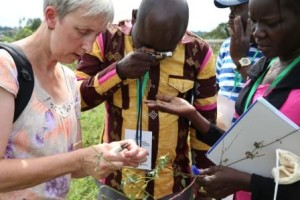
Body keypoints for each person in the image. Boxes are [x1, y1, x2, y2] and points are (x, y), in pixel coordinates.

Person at [146, 0, 300, 199]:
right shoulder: (264, 66)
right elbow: (247, 147)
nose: (257, 32)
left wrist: (245, 182)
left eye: (271, 23)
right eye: (255, 22)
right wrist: (193, 115)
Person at [0, 0, 148, 199]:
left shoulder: (69, 80)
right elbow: (74, 161)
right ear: (51, 17)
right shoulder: (6, 69)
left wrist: (110, 154)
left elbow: (75, 167)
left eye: (96, 35)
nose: (88, 46)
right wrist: (79, 160)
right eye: (82, 31)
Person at [75, 0, 217, 198]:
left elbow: (205, 123)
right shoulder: (106, 40)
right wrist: (118, 71)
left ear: (182, 33)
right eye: (144, 45)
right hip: (114, 180)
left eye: (165, 52)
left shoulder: (198, 52)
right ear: (134, 17)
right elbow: (75, 101)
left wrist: (203, 187)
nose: (154, 56)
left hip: (171, 184)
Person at [214, 0, 263, 129]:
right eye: (230, 9)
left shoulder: (269, 50)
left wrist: (240, 58)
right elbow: (217, 87)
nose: (231, 15)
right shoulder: (226, 46)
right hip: (222, 133)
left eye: (237, 9)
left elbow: (261, 91)